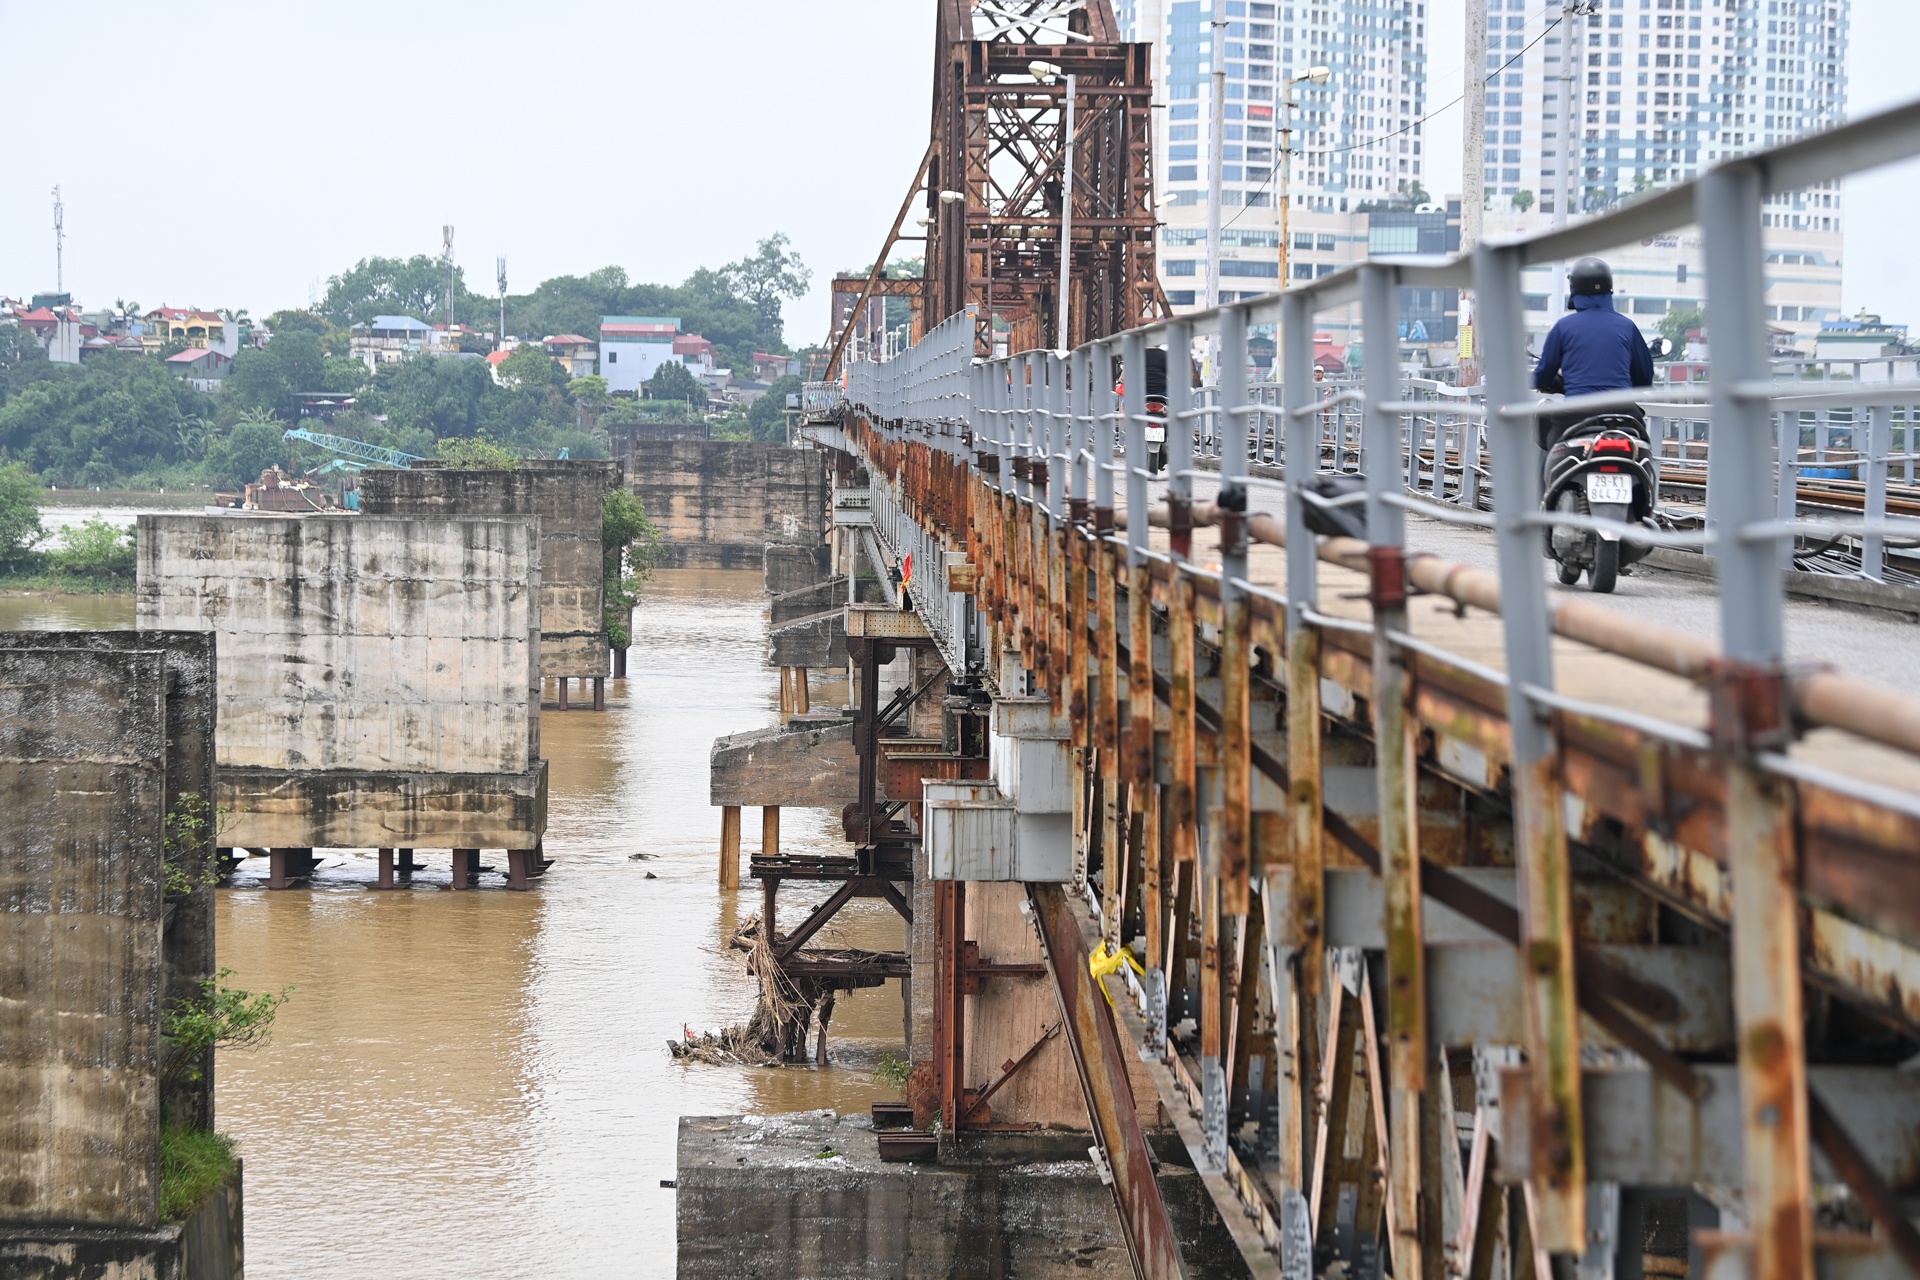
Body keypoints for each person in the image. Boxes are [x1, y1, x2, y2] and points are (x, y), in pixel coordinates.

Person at [1532, 256, 1655, 450]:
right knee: (1643, 451)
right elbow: (1644, 378)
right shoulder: (1627, 326)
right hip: (1624, 415)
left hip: (1577, 414)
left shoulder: (1563, 327)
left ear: (1574, 289)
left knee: (1552, 444)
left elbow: (1543, 376)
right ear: (1609, 288)